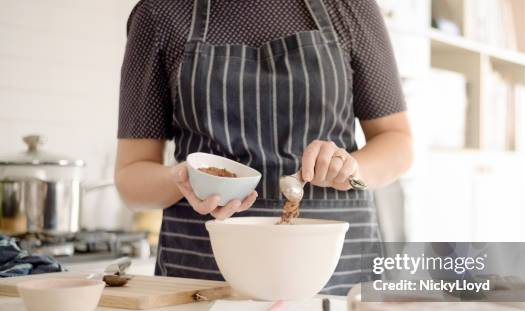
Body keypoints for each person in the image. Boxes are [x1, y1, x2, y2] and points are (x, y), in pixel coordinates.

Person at [115, 0, 413, 295]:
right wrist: (185, 178)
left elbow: (397, 142)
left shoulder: (349, 7)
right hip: (204, 272)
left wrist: (351, 168)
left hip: (334, 273)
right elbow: (131, 177)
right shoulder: (160, 13)